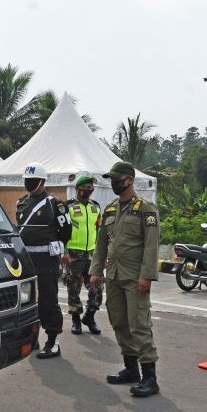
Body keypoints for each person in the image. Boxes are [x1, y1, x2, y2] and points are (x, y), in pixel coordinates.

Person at [89, 162, 160, 397]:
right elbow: (101, 245)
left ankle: (150, 377)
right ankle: (132, 370)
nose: (113, 183)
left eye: (117, 179)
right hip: (115, 277)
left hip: (135, 278)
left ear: (129, 179)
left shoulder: (145, 209)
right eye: (111, 179)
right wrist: (96, 271)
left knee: (139, 325)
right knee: (118, 321)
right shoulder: (110, 210)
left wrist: (146, 275)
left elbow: (151, 246)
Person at [15, 162, 71, 359]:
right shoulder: (21, 202)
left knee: (48, 300)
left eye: (32, 181)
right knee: (26, 301)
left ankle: (53, 341)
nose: (29, 184)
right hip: (25, 259)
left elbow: (66, 231)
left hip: (46, 259)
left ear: (42, 181)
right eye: (26, 181)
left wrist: (57, 248)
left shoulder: (54, 204)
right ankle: (31, 338)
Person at [63, 173, 103, 335]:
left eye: (91, 188)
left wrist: (103, 254)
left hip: (93, 255)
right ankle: (76, 321)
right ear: (77, 189)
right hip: (74, 255)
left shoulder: (96, 207)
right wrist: (65, 252)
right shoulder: (69, 207)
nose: (89, 190)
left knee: (97, 289)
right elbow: (62, 231)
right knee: (74, 289)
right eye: (86, 188)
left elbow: (100, 231)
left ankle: (89, 317)